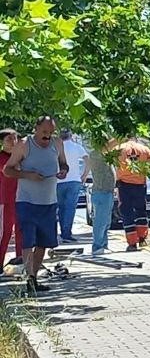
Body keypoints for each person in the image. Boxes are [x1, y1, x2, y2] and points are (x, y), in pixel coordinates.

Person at [3, 118, 68, 295]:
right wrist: (27, 175)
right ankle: (29, 277)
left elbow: (64, 162)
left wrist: (64, 170)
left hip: (49, 201)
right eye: (44, 132)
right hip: (27, 201)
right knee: (27, 240)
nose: (47, 136)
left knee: (43, 242)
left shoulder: (57, 143)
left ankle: (34, 278)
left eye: (51, 132)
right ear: (36, 129)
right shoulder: (24, 145)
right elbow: (7, 170)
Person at [113, 137, 150, 251]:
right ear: (135, 138)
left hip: (124, 185)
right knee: (141, 211)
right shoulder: (144, 149)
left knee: (127, 212)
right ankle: (142, 238)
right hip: (140, 184)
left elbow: (108, 157)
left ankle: (132, 243)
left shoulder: (118, 149)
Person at [84, 140, 116, 255]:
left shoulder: (105, 155)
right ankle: (97, 246)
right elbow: (109, 145)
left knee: (106, 221)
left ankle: (103, 245)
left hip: (107, 192)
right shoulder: (96, 154)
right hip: (101, 192)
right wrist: (123, 136)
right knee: (100, 222)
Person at [56, 130, 87, 243]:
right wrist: (84, 174)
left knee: (60, 207)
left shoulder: (57, 147)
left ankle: (62, 231)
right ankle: (66, 232)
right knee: (70, 208)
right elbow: (86, 159)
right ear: (70, 136)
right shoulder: (76, 147)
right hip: (74, 180)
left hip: (59, 181)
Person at [0, 129, 23, 266]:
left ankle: (21, 260)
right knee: (5, 233)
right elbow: (10, 172)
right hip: (5, 200)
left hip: (20, 199)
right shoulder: (2, 157)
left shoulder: (20, 157)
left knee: (21, 232)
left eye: (15, 139)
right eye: (9, 139)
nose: (13, 142)